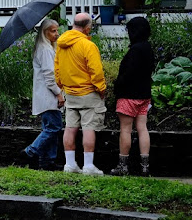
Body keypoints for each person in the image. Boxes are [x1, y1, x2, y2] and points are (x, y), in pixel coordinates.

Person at [54, 12, 107, 175]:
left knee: (70, 128)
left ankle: (70, 165)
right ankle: (89, 166)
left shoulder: (61, 44)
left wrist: (62, 85)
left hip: (70, 93)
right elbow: (96, 71)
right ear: (88, 28)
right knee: (89, 128)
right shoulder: (88, 45)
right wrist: (102, 88)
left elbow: (57, 69)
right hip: (88, 93)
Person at [18, 19, 65, 170]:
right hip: (48, 96)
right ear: (44, 33)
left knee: (50, 128)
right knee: (54, 128)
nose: (57, 34)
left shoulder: (45, 48)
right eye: (53, 31)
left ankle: (47, 162)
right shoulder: (45, 49)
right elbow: (49, 76)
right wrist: (59, 94)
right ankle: (29, 152)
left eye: (57, 30)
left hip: (45, 95)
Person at [111, 17, 155, 177]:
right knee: (143, 128)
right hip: (144, 95)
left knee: (125, 129)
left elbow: (128, 74)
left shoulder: (135, 50)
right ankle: (145, 166)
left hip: (128, 95)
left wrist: (117, 86)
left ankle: (123, 166)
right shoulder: (148, 48)